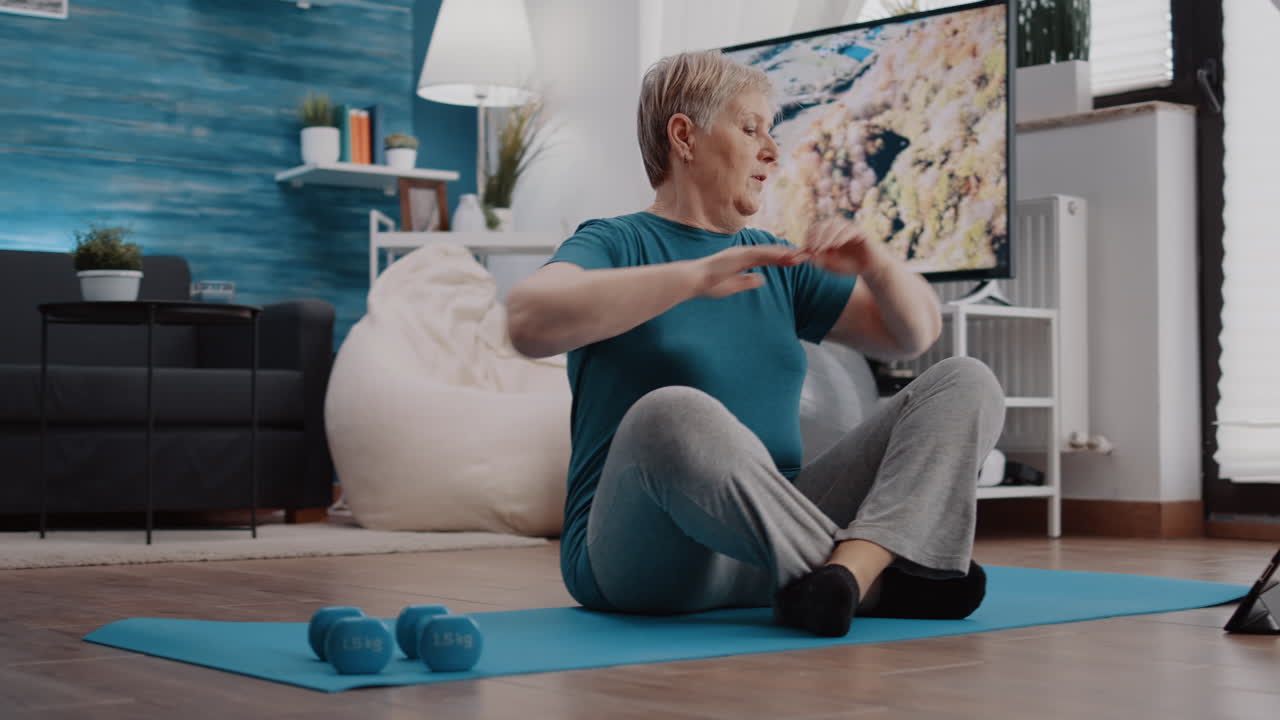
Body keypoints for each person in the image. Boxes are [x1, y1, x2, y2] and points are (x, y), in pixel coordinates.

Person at [505, 50, 1005, 637]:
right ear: (684, 135)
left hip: (771, 549)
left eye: (772, 131)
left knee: (966, 380)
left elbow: (913, 333)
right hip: (644, 560)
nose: (772, 150)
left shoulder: (776, 261)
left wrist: (877, 260)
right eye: (751, 129)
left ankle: (848, 575)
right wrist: (691, 278)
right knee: (672, 413)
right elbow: (527, 319)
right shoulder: (617, 242)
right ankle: (882, 581)